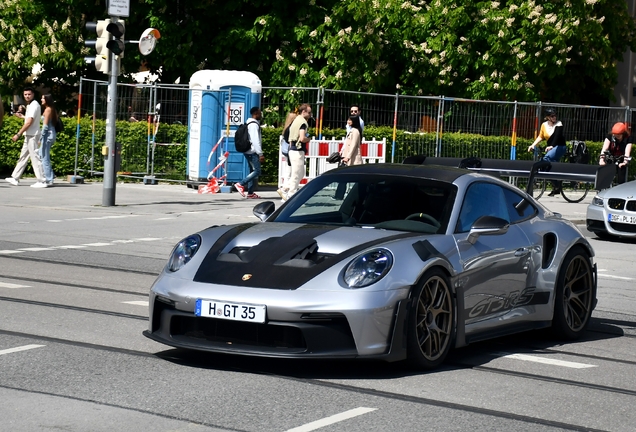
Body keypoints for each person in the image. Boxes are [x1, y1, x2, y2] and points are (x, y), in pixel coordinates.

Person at [5, 87, 46, 188]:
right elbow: (29, 119)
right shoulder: (31, 105)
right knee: (23, 156)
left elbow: (29, 122)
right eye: (25, 94)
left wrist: (18, 134)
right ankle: (15, 177)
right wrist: (22, 117)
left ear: (33, 94)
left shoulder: (33, 105)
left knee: (35, 157)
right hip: (29, 134)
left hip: (32, 135)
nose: (27, 96)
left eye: (29, 94)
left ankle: (42, 180)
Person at [527, 108, 566, 196]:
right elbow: (540, 137)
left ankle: (556, 185)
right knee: (546, 165)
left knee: (546, 159)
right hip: (551, 148)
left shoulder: (559, 124)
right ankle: (556, 184)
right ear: (547, 117)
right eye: (552, 116)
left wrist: (551, 146)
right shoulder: (544, 125)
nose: (554, 117)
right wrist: (533, 145)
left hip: (559, 147)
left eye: (555, 115)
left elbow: (557, 136)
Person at [281, 103, 312, 200]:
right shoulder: (302, 123)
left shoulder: (296, 120)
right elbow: (302, 138)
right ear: (304, 112)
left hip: (292, 148)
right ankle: (291, 193)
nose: (310, 114)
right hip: (298, 150)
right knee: (296, 173)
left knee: (300, 172)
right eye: (309, 112)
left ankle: (285, 188)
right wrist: (309, 139)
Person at [233, 107, 265, 199]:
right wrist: (260, 154)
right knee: (257, 171)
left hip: (247, 151)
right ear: (255, 113)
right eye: (260, 112)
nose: (261, 114)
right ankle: (240, 184)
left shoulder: (248, 123)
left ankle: (250, 193)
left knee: (252, 170)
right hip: (253, 151)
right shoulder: (254, 125)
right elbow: (256, 141)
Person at [277, 111, 297, 201]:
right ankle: (285, 189)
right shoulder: (291, 129)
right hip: (290, 151)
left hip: (286, 152)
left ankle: (286, 189)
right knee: (292, 172)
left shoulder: (286, 128)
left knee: (288, 171)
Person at [39, 94, 58, 186]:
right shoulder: (51, 109)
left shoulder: (48, 110)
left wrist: (40, 137)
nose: (41, 99)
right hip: (51, 134)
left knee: (44, 157)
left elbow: (45, 126)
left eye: (43, 98)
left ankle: (49, 179)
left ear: (47, 100)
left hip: (47, 135)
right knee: (41, 154)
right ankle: (51, 175)